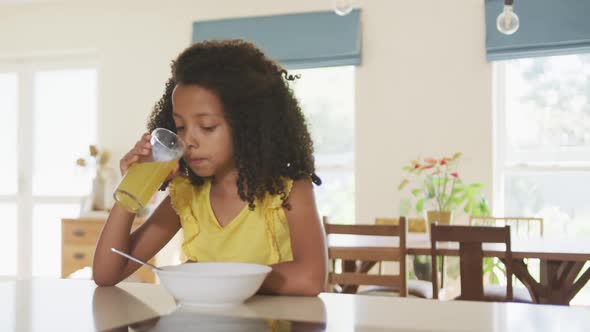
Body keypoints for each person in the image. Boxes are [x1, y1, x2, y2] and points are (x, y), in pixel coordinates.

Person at [93, 40, 327, 296]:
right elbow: (107, 273)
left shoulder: (289, 191)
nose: (189, 140)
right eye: (180, 127)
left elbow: (310, 279)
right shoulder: (186, 196)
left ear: (247, 126)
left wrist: (214, 276)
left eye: (206, 126)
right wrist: (132, 188)